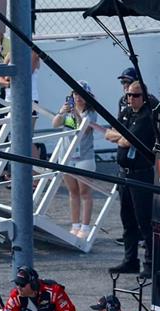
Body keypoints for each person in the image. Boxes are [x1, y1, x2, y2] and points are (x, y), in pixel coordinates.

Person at [105, 80, 157, 277]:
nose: (131, 99)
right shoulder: (126, 112)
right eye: (128, 95)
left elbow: (128, 140)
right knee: (127, 219)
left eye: (135, 96)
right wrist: (120, 137)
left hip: (141, 174)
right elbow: (109, 134)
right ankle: (130, 260)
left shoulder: (146, 116)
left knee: (144, 220)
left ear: (144, 97)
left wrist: (120, 137)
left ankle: (150, 264)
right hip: (124, 173)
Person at [53, 83, 100, 239]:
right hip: (67, 156)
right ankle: (75, 225)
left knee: (85, 192)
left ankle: (85, 227)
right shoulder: (67, 109)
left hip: (84, 156)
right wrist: (62, 113)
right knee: (73, 192)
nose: (78, 98)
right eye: (75, 94)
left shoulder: (91, 112)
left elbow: (84, 129)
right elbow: (55, 124)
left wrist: (76, 114)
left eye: (81, 94)